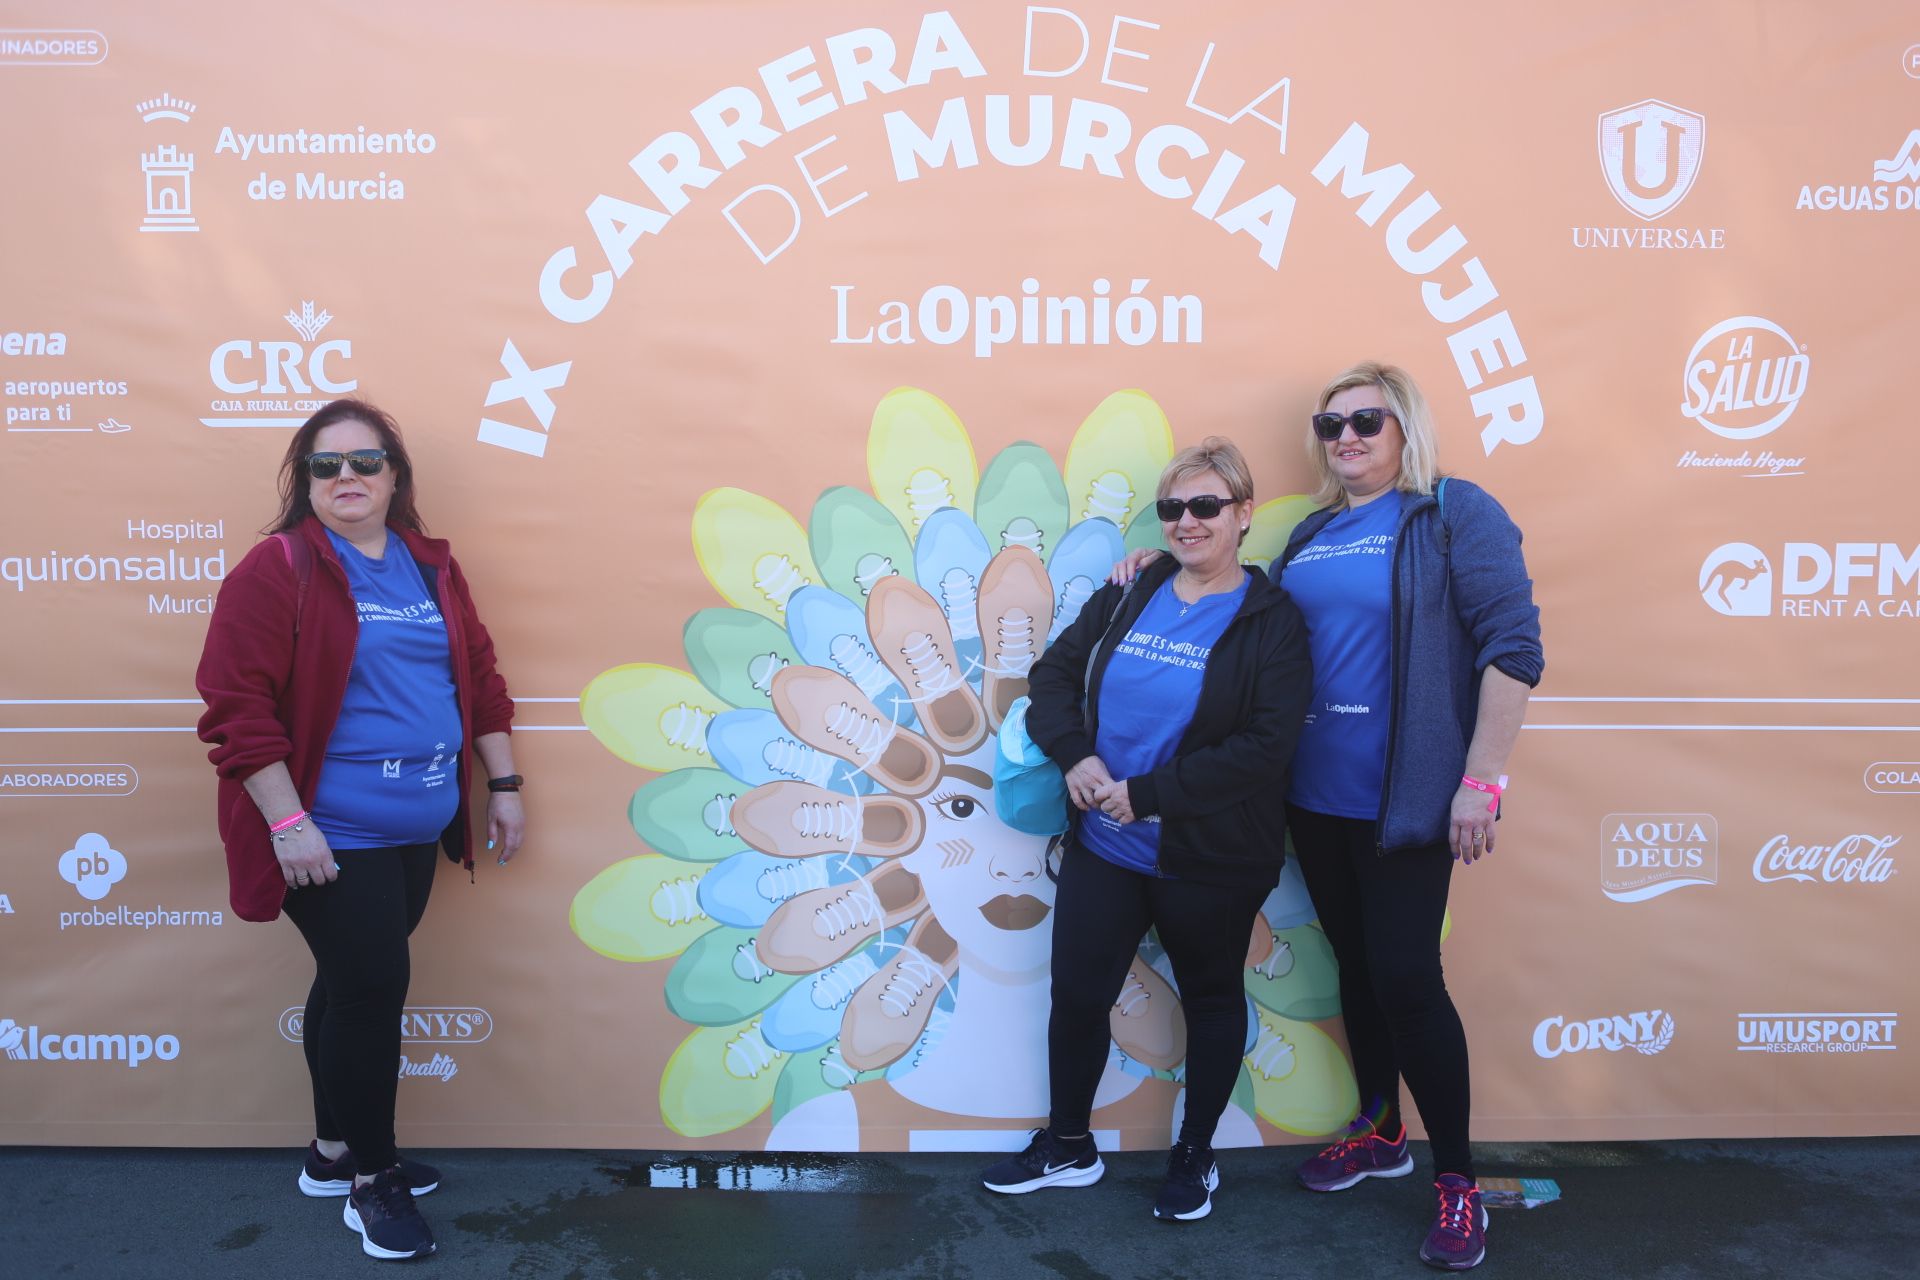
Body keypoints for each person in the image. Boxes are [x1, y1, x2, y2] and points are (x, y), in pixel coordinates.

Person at [196, 399, 525, 1262]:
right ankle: (371, 1183)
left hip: (419, 825)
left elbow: (479, 677)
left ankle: (331, 1152)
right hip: (329, 831)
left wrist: (505, 780)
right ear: (303, 480)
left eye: (366, 462)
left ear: (395, 477)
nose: (348, 478)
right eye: (326, 464)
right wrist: (290, 822)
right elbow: (237, 713)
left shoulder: (431, 568)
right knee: (373, 992)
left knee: (350, 987)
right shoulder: (279, 569)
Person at [979, 437, 1312, 1221]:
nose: (1186, 522)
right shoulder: (1134, 589)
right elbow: (1053, 674)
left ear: (1243, 514)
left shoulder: (1273, 622)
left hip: (1211, 858)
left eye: (1205, 506)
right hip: (1105, 845)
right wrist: (1075, 757)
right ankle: (1068, 1146)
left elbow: (1268, 746)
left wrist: (1153, 794)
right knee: (1078, 996)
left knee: (1211, 998)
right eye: (1172, 508)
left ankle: (1195, 1158)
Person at [1276, 362, 1540, 1271]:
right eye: (1330, 423)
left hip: (1408, 800)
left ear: (1405, 428)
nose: (1346, 436)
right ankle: (1382, 1129)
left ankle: (1458, 1184)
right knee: (1356, 966)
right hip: (1314, 797)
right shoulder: (1312, 532)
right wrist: (1164, 562)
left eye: (1367, 420)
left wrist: (1483, 779)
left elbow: (1513, 648)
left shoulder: (1452, 512)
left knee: (1406, 977)